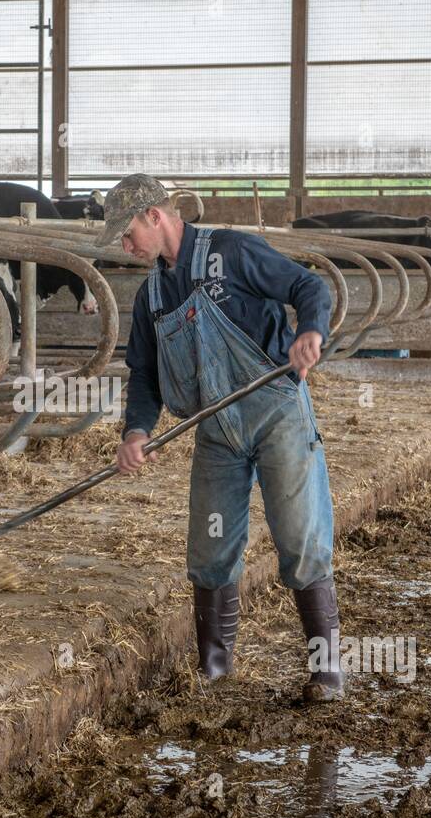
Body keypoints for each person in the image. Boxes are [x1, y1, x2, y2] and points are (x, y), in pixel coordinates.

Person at [98, 174, 343, 702]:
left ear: (155, 217)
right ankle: (213, 672)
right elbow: (143, 373)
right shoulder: (153, 295)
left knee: (300, 540)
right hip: (216, 427)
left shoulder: (231, 252)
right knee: (209, 550)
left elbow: (309, 287)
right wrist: (137, 430)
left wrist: (310, 332)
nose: (125, 246)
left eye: (127, 233)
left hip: (276, 410)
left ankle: (326, 673)